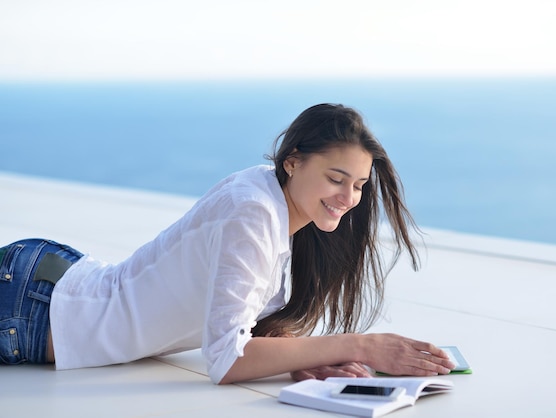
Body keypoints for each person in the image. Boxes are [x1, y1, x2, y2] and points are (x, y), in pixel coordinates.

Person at [0, 103, 455, 384]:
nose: (348, 198)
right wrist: (360, 346)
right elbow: (226, 361)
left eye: (357, 185)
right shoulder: (253, 211)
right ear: (293, 162)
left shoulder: (277, 202)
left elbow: (239, 324)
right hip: (34, 308)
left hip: (53, 282)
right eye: (336, 179)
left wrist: (298, 359)